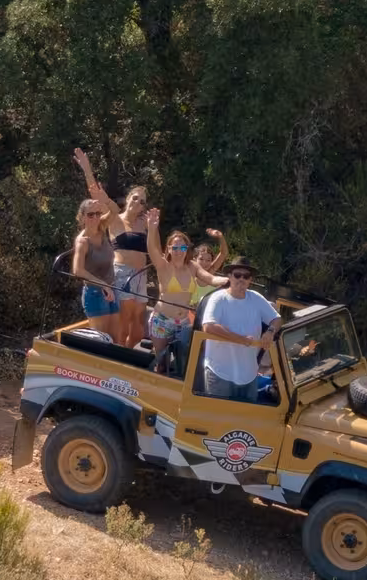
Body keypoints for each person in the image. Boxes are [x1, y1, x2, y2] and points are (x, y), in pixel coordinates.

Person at [75, 148, 152, 347]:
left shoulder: (144, 223)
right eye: (135, 198)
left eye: (142, 201)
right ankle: (114, 365)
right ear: (127, 199)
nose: (138, 202)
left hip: (140, 275)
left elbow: (154, 250)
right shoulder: (114, 221)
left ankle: (124, 358)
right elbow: (96, 194)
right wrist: (87, 169)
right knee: (121, 328)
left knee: (137, 330)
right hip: (121, 275)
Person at [147, 217, 231, 376]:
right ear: (169, 249)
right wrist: (151, 229)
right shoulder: (163, 265)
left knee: (185, 361)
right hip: (162, 320)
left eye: (182, 247)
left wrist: (227, 280)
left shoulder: (192, 266)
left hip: (184, 322)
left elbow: (211, 278)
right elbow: (152, 249)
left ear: (187, 249)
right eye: (175, 247)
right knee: (161, 362)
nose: (179, 251)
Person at [200, 258, 281, 403]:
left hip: (249, 375)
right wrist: (241, 340)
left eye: (246, 276)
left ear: (250, 280)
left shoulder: (256, 298)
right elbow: (209, 326)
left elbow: (276, 319)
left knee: (247, 422)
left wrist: (270, 331)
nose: (241, 279)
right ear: (230, 276)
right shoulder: (218, 298)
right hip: (220, 374)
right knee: (218, 420)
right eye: (237, 275)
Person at [73, 197, 119, 332]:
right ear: (82, 218)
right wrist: (103, 285)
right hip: (95, 293)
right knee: (102, 341)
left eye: (97, 214)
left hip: (112, 288)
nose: (95, 218)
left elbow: (115, 210)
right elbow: (78, 270)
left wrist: (104, 199)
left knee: (117, 338)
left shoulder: (102, 227)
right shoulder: (82, 241)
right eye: (90, 214)